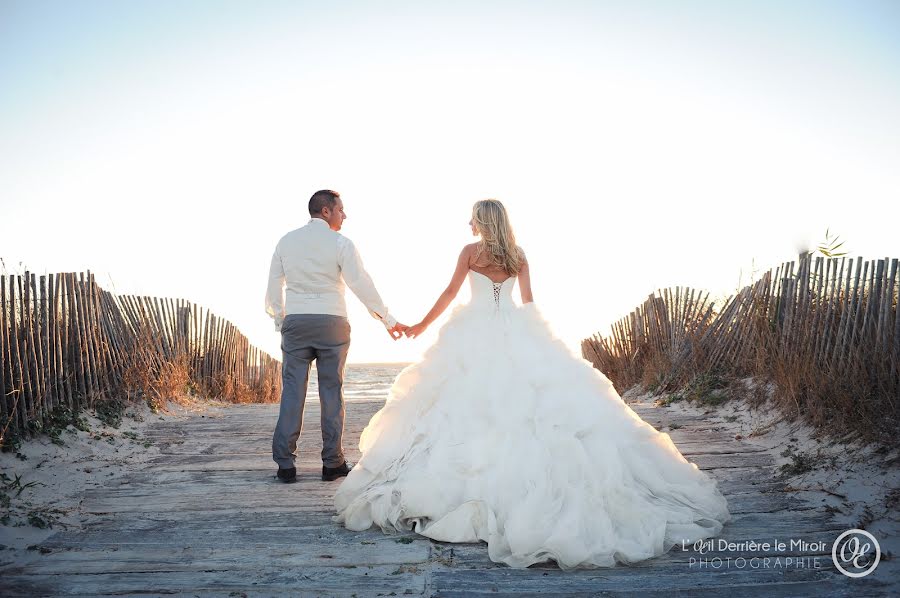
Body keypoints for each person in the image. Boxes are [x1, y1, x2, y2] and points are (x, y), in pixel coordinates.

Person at [333, 199, 730, 569]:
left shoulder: (470, 252)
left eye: (472, 217)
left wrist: (420, 325)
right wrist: (537, 341)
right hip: (514, 330)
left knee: (464, 406)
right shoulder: (518, 255)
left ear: (482, 221)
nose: (468, 223)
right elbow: (528, 303)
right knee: (524, 407)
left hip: (472, 330)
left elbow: (451, 292)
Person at [266, 190, 407, 484]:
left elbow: (273, 284)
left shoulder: (286, 241)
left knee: (292, 390)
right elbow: (361, 283)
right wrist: (387, 319)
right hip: (332, 322)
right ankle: (332, 463)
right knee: (332, 391)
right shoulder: (341, 243)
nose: (345, 215)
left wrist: (281, 317)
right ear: (326, 211)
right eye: (341, 210)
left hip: (297, 321)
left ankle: (285, 466)